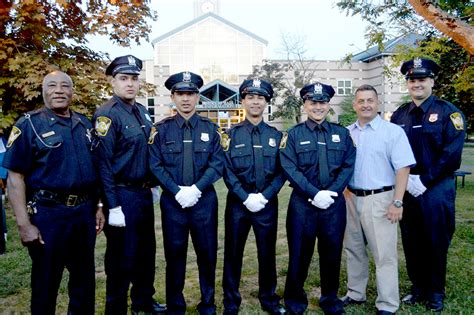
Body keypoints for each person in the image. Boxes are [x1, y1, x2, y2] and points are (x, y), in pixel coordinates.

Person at [2, 70, 105, 314]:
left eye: (64, 86)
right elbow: (15, 179)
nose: (58, 90)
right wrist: (24, 224)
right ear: (43, 91)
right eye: (52, 86)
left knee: (84, 282)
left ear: (72, 91)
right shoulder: (29, 124)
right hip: (49, 215)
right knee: (46, 282)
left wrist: (99, 206)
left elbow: (96, 170)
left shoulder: (85, 124)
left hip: (83, 215)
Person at [391, 57, 466, 312]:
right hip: (407, 186)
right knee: (411, 240)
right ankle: (418, 287)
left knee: (436, 240)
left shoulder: (449, 113)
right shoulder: (400, 114)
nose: (417, 84)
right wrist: (406, 180)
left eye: (422, 79)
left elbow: (451, 153)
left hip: (436, 187)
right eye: (412, 80)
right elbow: (393, 150)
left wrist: (424, 179)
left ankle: (435, 292)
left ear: (432, 81)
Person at [93, 55, 166, 315]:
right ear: (112, 81)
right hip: (122, 195)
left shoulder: (142, 111)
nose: (130, 84)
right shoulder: (107, 115)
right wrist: (111, 205)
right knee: (121, 258)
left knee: (146, 254)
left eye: (134, 79)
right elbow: (102, 164)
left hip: (144, 194)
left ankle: (143, 301)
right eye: (124, 79)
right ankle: (116, 307)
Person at [149, 71, 224, 315]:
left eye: (190, 93)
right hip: (173, 203)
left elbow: (217, 163)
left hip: (204, 202)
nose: (185, 99)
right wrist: (175, 190)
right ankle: (175, 305)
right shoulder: (160, 130)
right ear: (172, 97)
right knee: (175, 255)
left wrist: (196, 188)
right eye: (180, 93)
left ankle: (208, 304)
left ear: (198, 97)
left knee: (207, 254)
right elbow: (155, 164)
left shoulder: (211, 129)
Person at [280, 82, 356, 315]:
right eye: (313, 102)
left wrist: (331, 193)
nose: (318, 107)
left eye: (322, 102)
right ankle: (294, 300)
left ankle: (330, 300)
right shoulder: (293, 135)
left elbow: (348, 165)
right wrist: (315, 194)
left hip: (333, 205)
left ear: (328, 105)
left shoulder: (342, 134)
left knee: (331, 253)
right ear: (305, 105)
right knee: (299, 254)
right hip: (303, 205)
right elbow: (289, 167)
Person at [340, 85, 415, 315]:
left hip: (381, 198)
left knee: (384, 254)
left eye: (370, 100)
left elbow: (403, 168)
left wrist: (397, 201)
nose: (365, 105)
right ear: (354, 105)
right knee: (353, 249)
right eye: (361, 101)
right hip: (350, 197)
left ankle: (388, 303)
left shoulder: (392, 132)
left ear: (377, 103)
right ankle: (355, 292)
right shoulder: (346, 133)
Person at [222, 78, 286, 315]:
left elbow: (282, 171)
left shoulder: (276, 136)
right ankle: (230, 301)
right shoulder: (230, 135)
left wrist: (266, 196)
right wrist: (244, 196)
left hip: (267, 204)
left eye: (261, 98)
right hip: (239, 204)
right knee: (233, 253)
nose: (256, 102)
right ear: (243, 101)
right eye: (251, 97)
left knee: (267, 253)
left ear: (266, 102)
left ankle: (269, 299)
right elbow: (226, 170)